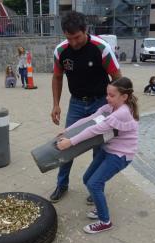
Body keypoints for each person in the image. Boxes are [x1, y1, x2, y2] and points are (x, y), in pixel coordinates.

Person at [50, 11, 121, 203]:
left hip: (101, 103)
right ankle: (61, 185)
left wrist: (119, 109)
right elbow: (57, 78)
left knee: (99, 147)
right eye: (69, 38)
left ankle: (94, 187)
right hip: (76, 104)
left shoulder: (101, 48)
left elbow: (118, 79)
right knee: (66, 145)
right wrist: (56, 104)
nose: (73, 42)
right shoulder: (61, 51)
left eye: (77, 37)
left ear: (86, 30)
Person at [56, 77, 139, 234]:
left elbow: (94, 130)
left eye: (112, 95)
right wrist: (68, 130)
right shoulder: (110, 107)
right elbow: (89, 119)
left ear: (124, 97)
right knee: (88, 179)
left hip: (121, 154)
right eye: (107, 94)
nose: (108, 98)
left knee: (94, 184)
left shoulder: (122, 113)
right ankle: (99, 207)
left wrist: (70, 142)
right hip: (108, 149)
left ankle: (105, 221)